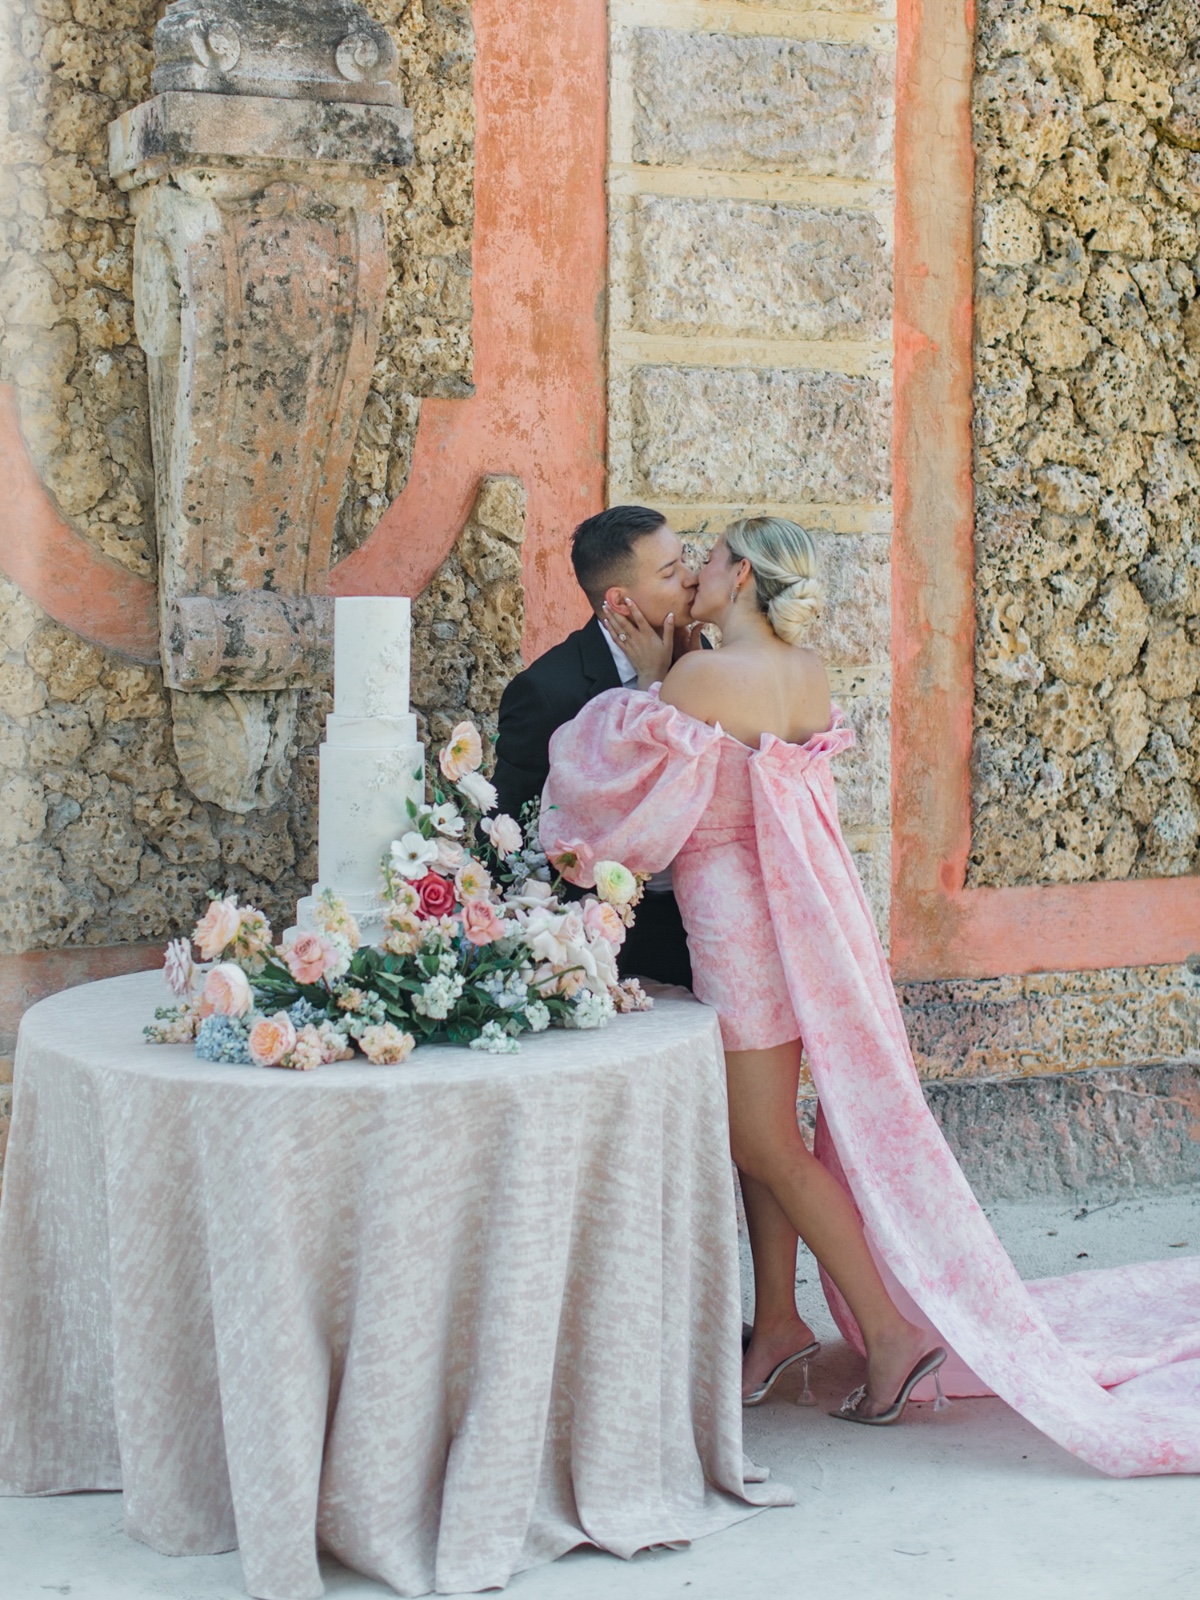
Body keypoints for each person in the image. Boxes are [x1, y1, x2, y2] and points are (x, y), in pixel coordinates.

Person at [541, 518, 1200, 1467]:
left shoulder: (692, 681)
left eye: (714, 559)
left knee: (758, 1140)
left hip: (735, 926)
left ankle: (891, 1335)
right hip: (801, 928)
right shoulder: (805, 675)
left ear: (746, 582)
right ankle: (780, 1326)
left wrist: (650, 680)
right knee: (769, 1138)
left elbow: (602, 770)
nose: (697, 574)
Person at [493, 504, 702, 990]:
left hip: (698, 915)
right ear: (620, 601)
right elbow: (512, 833)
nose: (691, 579)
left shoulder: (699, 656)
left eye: (685, 561)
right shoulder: (547, 691)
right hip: (601, 943)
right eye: (671, 572)